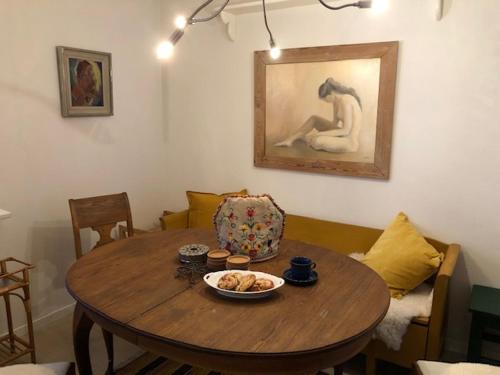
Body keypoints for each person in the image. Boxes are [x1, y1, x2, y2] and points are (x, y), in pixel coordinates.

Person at [274, 77, 363, 153]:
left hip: (349, 142)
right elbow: (334, 124)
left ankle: (305, 138)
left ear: (331, 94)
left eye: (325, 99)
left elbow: (345, 131)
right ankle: (290, 140)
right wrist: (322, 134)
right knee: (314, 119)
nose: (325, 101)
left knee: (316, 141)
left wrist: (319, 134)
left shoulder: (346, 100)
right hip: (341, 136)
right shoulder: (336, 101)